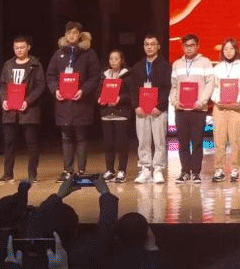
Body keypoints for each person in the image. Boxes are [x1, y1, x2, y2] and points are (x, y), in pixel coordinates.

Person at [45, 21, 102, 181]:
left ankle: (82, 171)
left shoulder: (89, 54)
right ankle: (68, 170)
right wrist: (55, 89)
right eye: (69, 33)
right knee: (66, 138)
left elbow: (95, 77)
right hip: (63, 103)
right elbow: (50, 76)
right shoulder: (58, 54)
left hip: (81, 102)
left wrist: (83, 90)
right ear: (65, 35)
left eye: (75, 33)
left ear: (80, 35)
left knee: (81, 137)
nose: (71, 35)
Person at [0, 35, 45, 184]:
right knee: (9, 143)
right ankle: (8, 174)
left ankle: (32, 175)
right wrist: (4, 100)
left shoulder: (35, 65)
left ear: (28, 47)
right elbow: (2, 85)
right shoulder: (8, 64)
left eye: (22, 47)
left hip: (29, 110)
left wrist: (28, 101)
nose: (19, 50)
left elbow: (40, 86)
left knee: (32, 143)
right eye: (16, 48)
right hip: (10, 110)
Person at [170, 33, 215, 183]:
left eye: (192, 45)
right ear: (182, 47)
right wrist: (175, 102)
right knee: (182, 143)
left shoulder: (205, 62)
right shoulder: (177, 64)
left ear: (197, 46)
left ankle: (195, 172)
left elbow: (210, 83)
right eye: (186, 46)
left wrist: (201, 102)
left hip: (198, 110)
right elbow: (173, 86)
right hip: (181, 110)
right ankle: (184, 171)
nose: (189, 48)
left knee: (197, 142)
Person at [129, 34, 172, 185]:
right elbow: (133, 89)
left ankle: (158, 169)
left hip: (158, 110)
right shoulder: (137, 67)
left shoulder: (165, 66)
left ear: (158, 47)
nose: (149, 47)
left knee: (159, 140)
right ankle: (145, 169)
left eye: (152, 44)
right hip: (141, 110)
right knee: (143, 140)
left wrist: (160, 106)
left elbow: (167, 88)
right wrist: (136, 105)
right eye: (146, 44)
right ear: (143, 47)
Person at [211, 38, 240, 183]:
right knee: (219, 140)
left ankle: (235, 170)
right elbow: (213, 87)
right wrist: (218, 100)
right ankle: (219, 170)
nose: (228, 52)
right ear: (222, 51)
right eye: (226, 49)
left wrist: (238, 100)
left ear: (236, 50)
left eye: (231, 49)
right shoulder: (217, 68)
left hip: (236, 107)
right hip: (220, 108)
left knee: (236, 140)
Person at [99, 49, 135, 183]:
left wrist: (120, 99)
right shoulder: (104, 75)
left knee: (122, 144)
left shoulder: (128, 75)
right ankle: (109, 170)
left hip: (121, 114)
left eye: (116, 59)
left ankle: (122, 171)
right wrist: (99, 98)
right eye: (111, 59)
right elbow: (98, 91)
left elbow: (132, 94)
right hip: (107, 114)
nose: (113, 61)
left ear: (122, 60)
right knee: (108, 144)